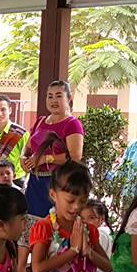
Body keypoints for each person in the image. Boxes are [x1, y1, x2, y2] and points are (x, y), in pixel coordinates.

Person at [23, 80, 83, 217]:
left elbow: (75, 157)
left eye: (58, 96)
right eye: (50, 96)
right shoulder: (40, 121)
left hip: (58, 184)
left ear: (69, 98)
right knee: (32, 223)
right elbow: (28, 147)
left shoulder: (72, 124)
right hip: (34, 183)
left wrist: (45, 159)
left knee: (53, 223)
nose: (53, 100)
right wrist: (23, 158)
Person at [0, 94, 28, 172]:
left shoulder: (21, 133)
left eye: (3, 110)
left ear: (10, 110)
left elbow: (27, 158)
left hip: (17, 177)